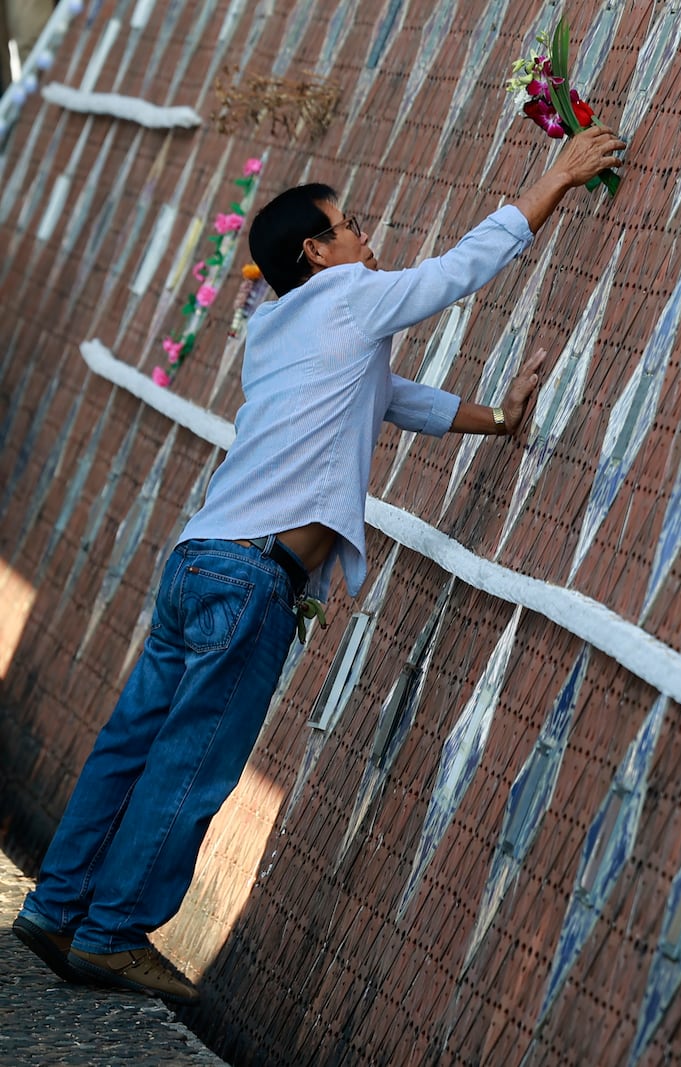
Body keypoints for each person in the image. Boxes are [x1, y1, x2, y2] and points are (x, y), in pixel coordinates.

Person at [10, 125, 627, 1003]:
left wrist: (498, 418)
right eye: (353, 228)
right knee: (191, 763)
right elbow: (453, 273)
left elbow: (391, 399)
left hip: (198, 562)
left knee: (129, 743)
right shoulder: (347, 300)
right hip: (251, 580)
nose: (369, 241)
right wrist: (553, 181)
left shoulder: (276, 327)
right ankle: (109, 933)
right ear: (317, 252)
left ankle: (57, 908)